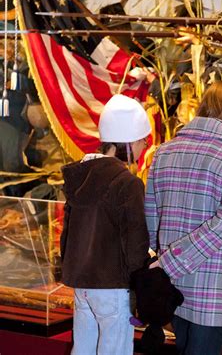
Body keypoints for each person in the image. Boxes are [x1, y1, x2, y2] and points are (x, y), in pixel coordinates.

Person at [145, 81, 222, 355]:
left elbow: (150, 217)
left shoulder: (165, 150)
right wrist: (172, 264)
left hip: (172, 287)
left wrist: (165, 264)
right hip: (211, 287)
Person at [60, 94, 151, 355]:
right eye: (142, 141)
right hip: (113, 287)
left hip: (81, 286)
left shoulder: (80, 176)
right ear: (130, 141)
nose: (143, 147)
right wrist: (140, 283)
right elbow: (135, 243)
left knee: (83, 349)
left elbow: (67, 237)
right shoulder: (127, 183)